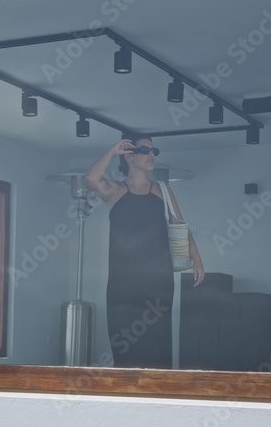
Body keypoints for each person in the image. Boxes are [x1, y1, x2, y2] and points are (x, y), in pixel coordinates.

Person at [85, 136, 204, 369]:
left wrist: (197, 259)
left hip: (158, 280)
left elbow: (181, 225)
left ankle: (159, 397)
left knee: (157, 342)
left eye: (154, 151)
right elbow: (91, 178)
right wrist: (113, 150)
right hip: (122, 284)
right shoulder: (114, 191)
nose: (152, 155)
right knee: (124, 344)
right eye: (145, 151)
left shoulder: (163, 190)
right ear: (129, 156)